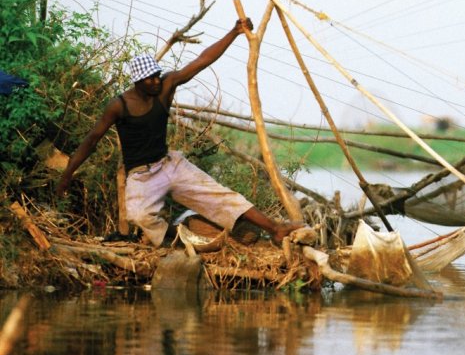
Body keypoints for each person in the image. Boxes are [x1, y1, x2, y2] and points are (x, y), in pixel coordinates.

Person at [56, 17, 308, 247]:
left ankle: (275, 228)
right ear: (138, 82)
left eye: (156, 76)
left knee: (222, 197)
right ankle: (177, 235)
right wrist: (68, 173)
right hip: (141, 175)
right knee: (138, 216)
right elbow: (91, 140)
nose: (155, 82)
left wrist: (235, 31)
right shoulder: (119, 105)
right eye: (149, 79)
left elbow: (202, 60)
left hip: (170, 165)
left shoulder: (166, 86)